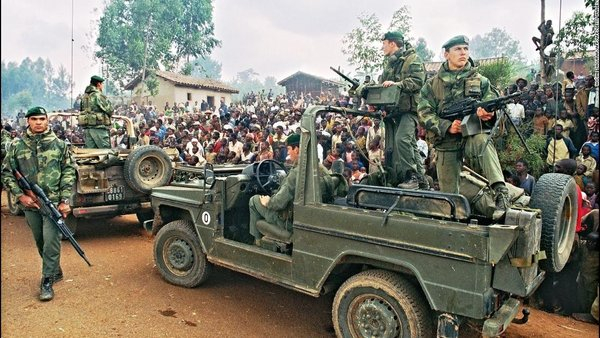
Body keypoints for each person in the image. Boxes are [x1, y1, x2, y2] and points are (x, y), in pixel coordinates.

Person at [418, 35, 510, 211]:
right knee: (450, 198)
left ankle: (501, 192)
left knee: (483, 141)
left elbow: (492, 99)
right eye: (458, 49)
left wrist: (488, 112)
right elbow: (424, 113)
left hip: (471, 136)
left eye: (465, 49)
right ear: (446, 54)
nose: (463, 53)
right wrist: (446, 126)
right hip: (446, 141)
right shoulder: (432, 85)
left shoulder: (481, 81)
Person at [1, 106, 76, 301]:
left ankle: (47, 280)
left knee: (51, 242)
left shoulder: (60, 145)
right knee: (40, 241)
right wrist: (19, 196)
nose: (38, 122)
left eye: (42, 119)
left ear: (47, 121)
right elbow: (7, 172)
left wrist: (65, 200)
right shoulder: (17, 146)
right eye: (34, 119)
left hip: (52, 204)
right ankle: (55, 270)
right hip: (30, 204)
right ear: (28, 121)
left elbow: (68, 172)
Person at [377, 31, 428, 189]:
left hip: (410, 110)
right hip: (396, 110)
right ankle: (421, 180)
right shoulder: (391, 63)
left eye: (384, 44)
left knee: (402, 140)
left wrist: (397, 84)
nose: (382, 47)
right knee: (410, 144)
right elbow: (382, 84)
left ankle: (411, 177)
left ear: (392, 43)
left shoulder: (413, 60)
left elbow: (418, 81)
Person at [248, 134, 301, 245]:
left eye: (289, 149)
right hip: (300, 218)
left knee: (254, 200)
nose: (287, 153)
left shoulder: (296, 173)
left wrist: (268, 202)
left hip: (287, 221)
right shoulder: (318, 168)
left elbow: (278, 203)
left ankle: (256, 242)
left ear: (297, 149)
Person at [79, 75, 113, 148]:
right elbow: (110, 110)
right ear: (98, 84)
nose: (102, 86)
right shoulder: (98, 95)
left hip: (88, 129)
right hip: (99, 128)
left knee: (90, 153)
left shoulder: (84, 97)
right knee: (106, 152)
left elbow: (82, 110)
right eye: (102, 84)